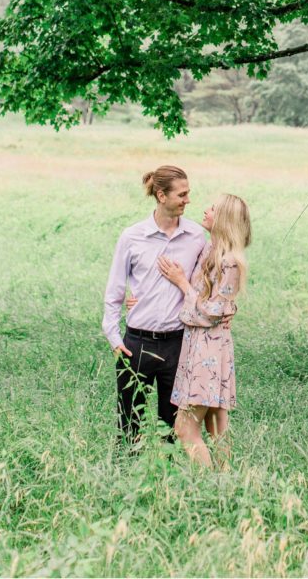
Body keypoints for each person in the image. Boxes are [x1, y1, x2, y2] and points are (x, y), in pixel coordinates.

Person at [102, 165, 206, 443]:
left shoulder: (196, 237)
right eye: (182, 195)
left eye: (188, 194)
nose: (188, 200)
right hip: (135, 343)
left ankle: (167, 482)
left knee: (172, 425)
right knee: (128, 422)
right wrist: (114, 338)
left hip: (177, 343)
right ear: (161, 195)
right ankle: (124, 476)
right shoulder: (132, 236)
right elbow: (114, 291)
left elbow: (205, 287)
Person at [158, 193, 251, 468]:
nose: (206, 211)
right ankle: (224, 488)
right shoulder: (210, 249)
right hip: (199, 344)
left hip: (209, 350)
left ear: (223, 219)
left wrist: (181, 284)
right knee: (215, 426)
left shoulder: (230, 261)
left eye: (212, 208)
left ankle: (208, 488)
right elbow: (219, 306)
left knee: (185, 429)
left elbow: (212, 312)